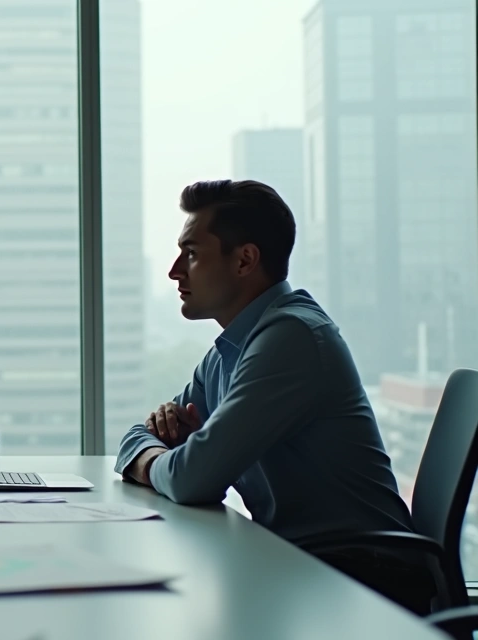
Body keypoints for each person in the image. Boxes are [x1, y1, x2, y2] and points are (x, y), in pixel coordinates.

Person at [115, 179, 435, 613]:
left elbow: (192, 479)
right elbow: (136, 436)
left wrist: (158, 460)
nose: (175, 270)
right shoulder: (230, 350)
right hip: (302, 563)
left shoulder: (292, 338)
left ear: (245, 260)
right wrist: (166, 451)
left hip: (365, 576)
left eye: (191, 253)